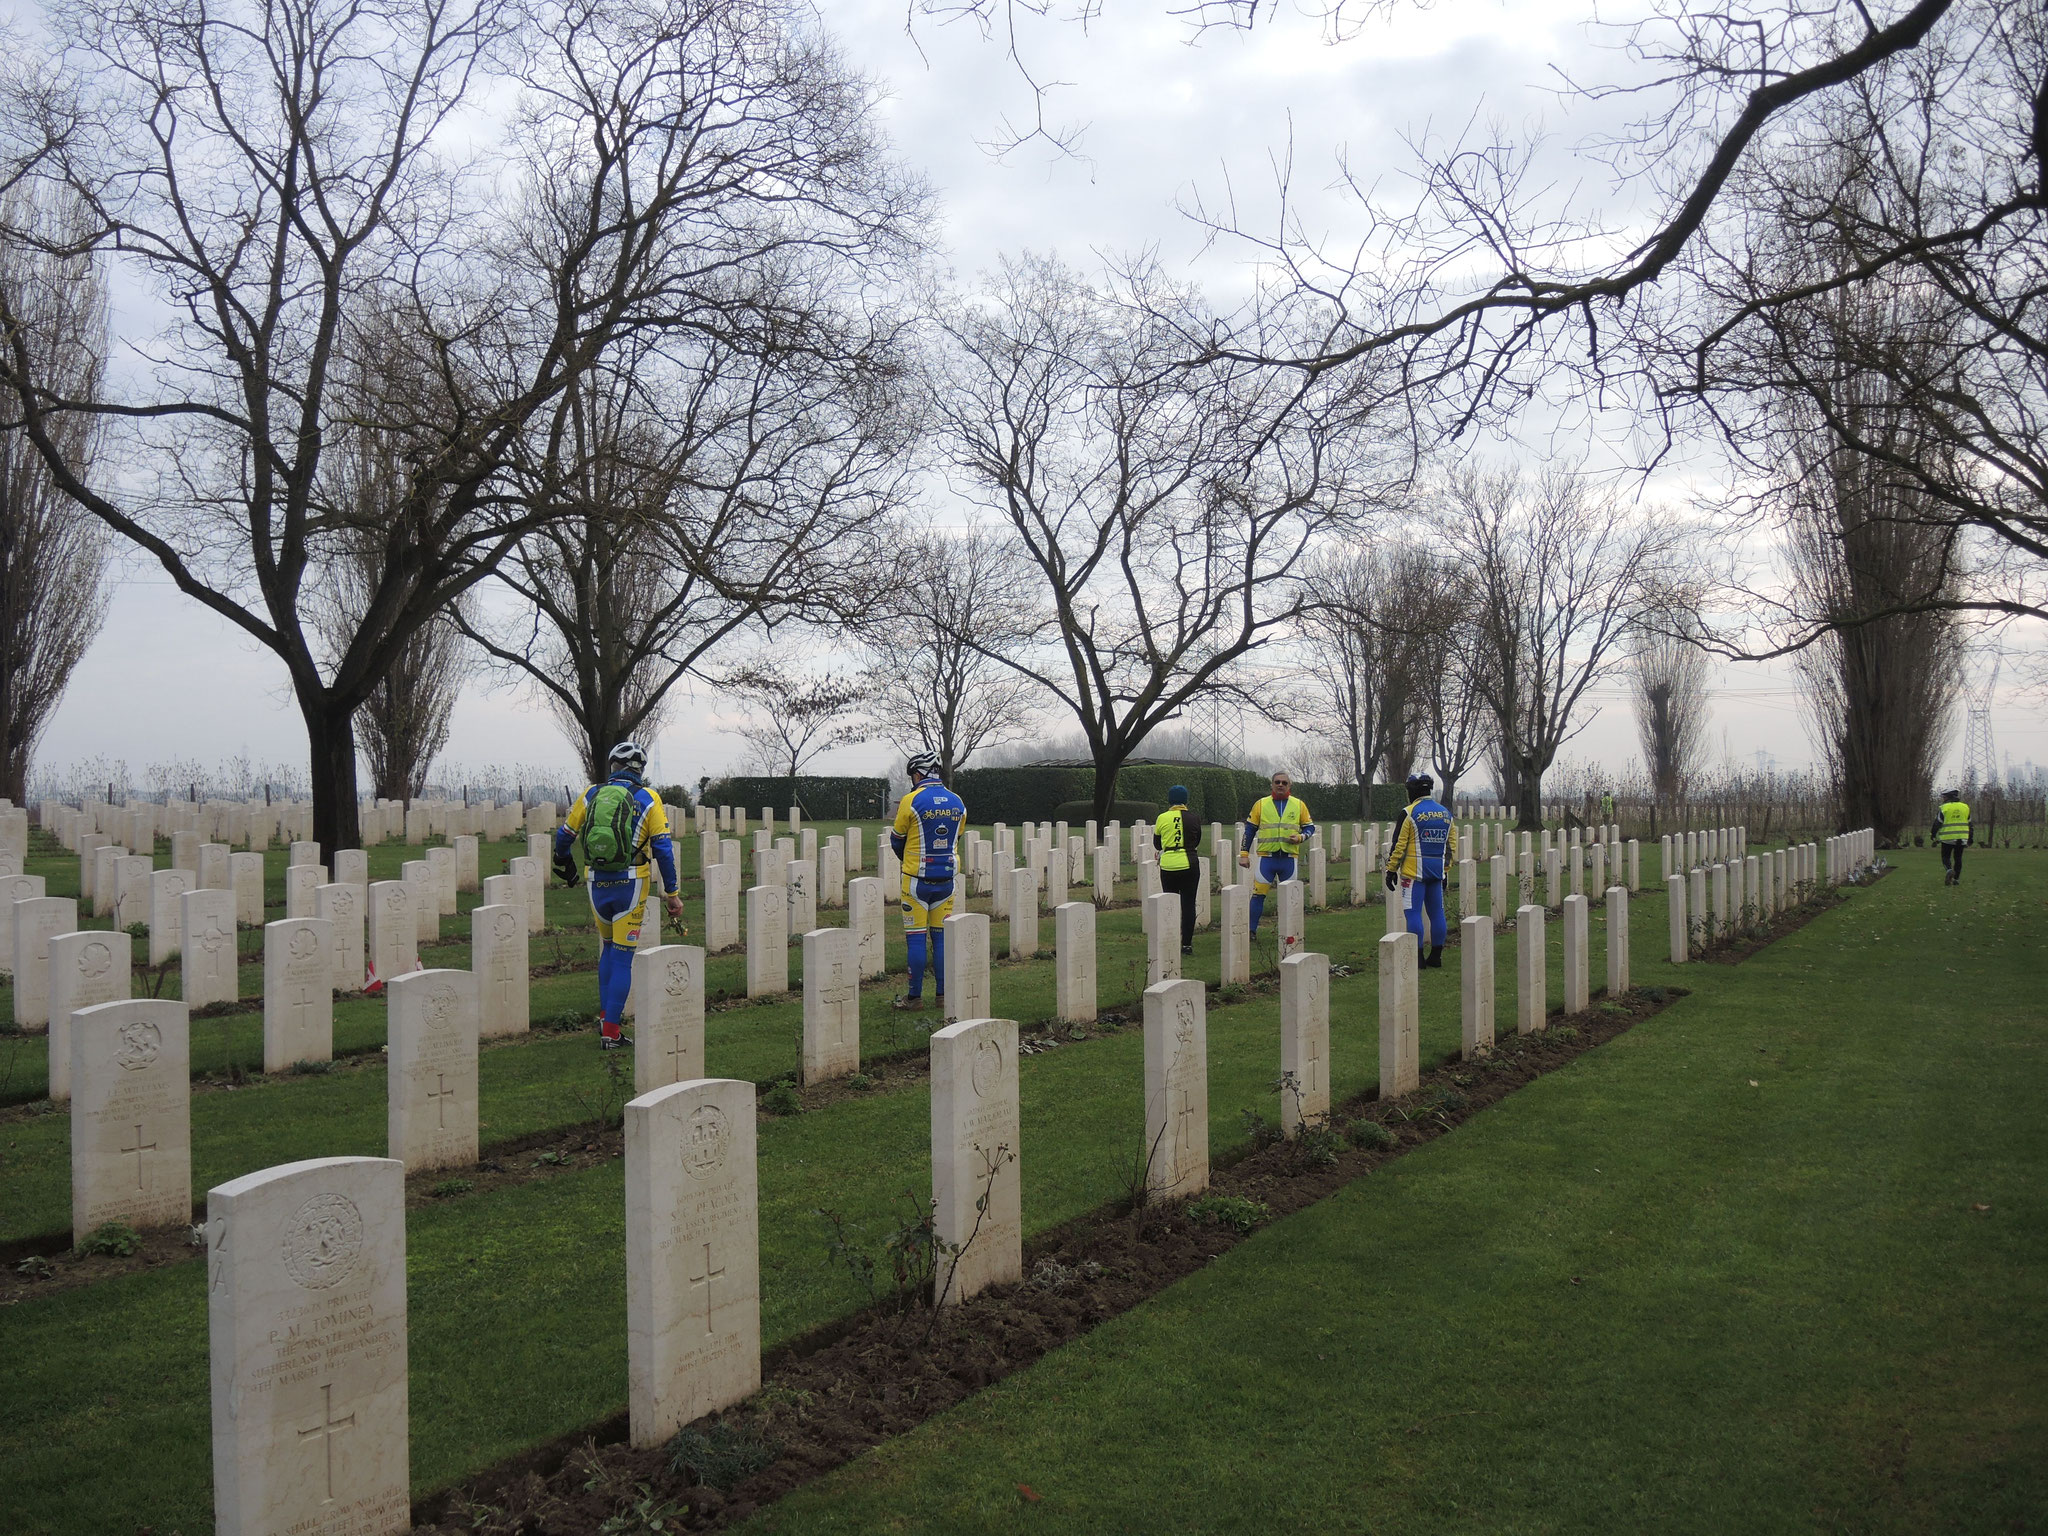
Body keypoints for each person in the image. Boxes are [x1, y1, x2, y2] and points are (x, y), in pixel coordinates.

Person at [553, 741, 685, 1049]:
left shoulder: (591, 794)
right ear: (640, 770)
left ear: (613, 767)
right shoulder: (649, 798)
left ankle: (605, 1017)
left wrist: (565, 861)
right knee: (624, 957)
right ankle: (611, 1032)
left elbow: (564, 836)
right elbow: (663, 850)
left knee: (608, 949)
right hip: (632, 883)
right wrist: (672, 894)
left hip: (596, 881)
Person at [890, 752, 967, 1011]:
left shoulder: (910, 800)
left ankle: (914, 998)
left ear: (919, 773)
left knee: (916, 939)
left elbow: (896, 839)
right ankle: (943, 995)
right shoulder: (957, 801)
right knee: (942, 939)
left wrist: (909, 860)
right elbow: (958, 837)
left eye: (913, 775)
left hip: (916, 881)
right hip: (946, 881)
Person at [1384, 772, 1457, 968]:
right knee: (1437, 913)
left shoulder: (1409, 812)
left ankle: (1418, 959)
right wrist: (1445, 870)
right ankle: (1436, 956)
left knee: (1413, 913)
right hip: (1436, 871)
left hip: (1413, 873)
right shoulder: (1445, 813)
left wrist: (1391, 870)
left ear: (1411, 790)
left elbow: (1399, 845)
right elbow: (1451, 847)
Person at [1240, 770, 1314, 938]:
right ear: (1272, 784)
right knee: (1258, 895)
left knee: (1290, 898)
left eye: (1284, 783)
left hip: (1289, 859)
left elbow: (1310, 827)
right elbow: (1249, 830)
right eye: (1277, 782)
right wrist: (1244, 853)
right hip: (1267, 858)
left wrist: (1302, 837)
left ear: (1290, 785)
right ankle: (1251, 931)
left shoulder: (1299, 804)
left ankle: (1290, 932)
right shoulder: (1260, 804)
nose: (1280, 785)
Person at [1154, 785, 1200, 955]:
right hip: (1189, 863)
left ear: (1170, 800)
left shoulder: (1162, 818)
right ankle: (1186, 944)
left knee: (1169, 904)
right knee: (1188, 904)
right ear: (1186, 800)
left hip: (1168, 865)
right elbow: (1196, 841)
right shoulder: (1194, 818)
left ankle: (1170, 939)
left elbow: (1157, 844)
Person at [1933, 787, 1972, 885]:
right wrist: (1970, 838)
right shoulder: (1965, 807)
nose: (1943, 798)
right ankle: (1956, 879)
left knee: (1946, 857)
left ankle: (1949, 870)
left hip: (1947, 838)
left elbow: (1937, 823)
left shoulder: (1944, 808)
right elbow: (1970, 824)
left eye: (1944, 797)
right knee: (1958, 858)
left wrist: (1933, 834)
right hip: (1962, 837)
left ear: (1948, 797)